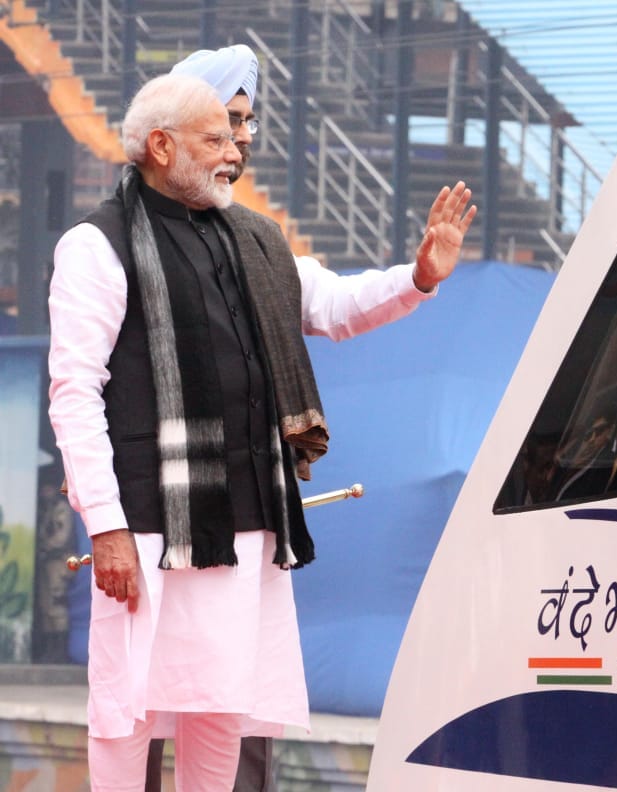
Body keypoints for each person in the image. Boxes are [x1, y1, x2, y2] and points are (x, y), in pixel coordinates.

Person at [47, 72, 475, 790]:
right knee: (126, 713)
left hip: (246, 526)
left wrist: (419, 277)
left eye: (233, 136)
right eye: (215, 138)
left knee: (222, 711)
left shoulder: (253, 240)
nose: (234, 152)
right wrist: (108, 527)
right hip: (150, 528)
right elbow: (74, 392)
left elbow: (336, 305)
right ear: (160, 146)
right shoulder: (97, 246)